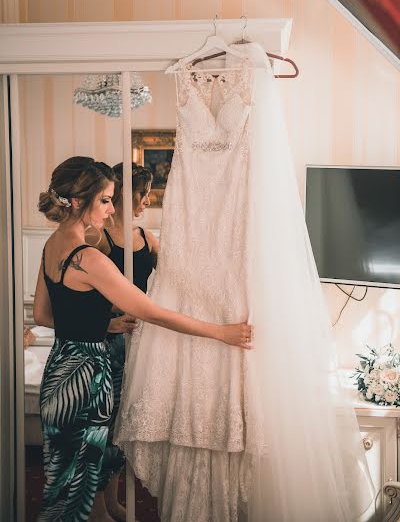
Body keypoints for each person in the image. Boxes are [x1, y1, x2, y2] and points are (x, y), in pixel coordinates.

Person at [33, 155, 251, 522]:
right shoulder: (89, 258)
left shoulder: (52, 246)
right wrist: (221, 333)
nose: (109, 208)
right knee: (82, 483)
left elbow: (43, 315)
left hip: (59, 372)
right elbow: (152, 311)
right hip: (88, 379)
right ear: (77, 200)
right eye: (104, 199)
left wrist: (101, 325)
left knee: (61, 482)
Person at [93, 162, 158, 522]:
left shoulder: (147, 239)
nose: (147, 200)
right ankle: (99, 507)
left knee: (125, 425)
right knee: (104, 423)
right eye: (142, 193)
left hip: (141, 345)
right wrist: (110, 320)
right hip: (110, 344)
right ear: (123, 193)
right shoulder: (99, 239)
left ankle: (115, 499)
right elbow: (82, 297)